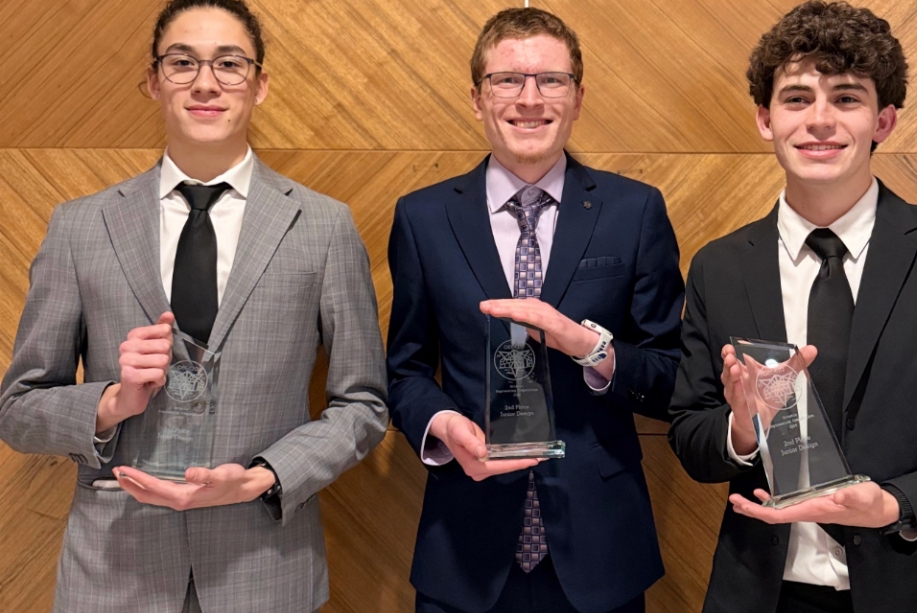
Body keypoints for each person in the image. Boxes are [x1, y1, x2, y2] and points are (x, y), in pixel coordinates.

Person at [0, 1, 388, 612]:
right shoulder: (80, 227)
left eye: (230, 64)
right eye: (183, 62)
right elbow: (18, 410)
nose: (206, 82)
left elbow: (363, 404)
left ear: (260, 84)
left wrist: (265, 476)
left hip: (263, 569)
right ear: (153, 81)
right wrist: (110, 402)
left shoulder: (322, 227)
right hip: (114, 573)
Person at [667, 2, 917, 612]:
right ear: (766, 119)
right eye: (796, 99)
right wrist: (743, 427)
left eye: (846, 98)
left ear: (885, 120)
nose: (819, 120)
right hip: (764, 595)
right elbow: (691, 433)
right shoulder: (720, 266)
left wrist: (895, 503)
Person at [386, 7, 684, 613]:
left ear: (578, 97)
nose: (530, 98)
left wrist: (590, 350)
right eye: (507, 80)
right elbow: (405, 372)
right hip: (463, 552)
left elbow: (672, 375)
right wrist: (442, 427)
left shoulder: (635, 211)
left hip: (601, 554)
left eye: (551, 80)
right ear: (476, 97)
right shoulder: (422, 218)